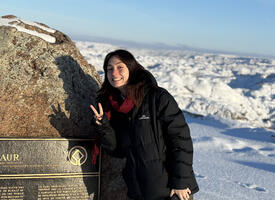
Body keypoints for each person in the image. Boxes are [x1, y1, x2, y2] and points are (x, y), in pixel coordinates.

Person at [90, 49, 199, 200]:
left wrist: (180, 182)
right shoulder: (115, 108)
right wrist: (103, 126)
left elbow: (181, 140)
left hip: (170, 190)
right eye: (109, 69)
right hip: (139, 190)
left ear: (132, 68)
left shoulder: (157, 98)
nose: (114, 73)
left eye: (120, 67)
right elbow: (118, 150)